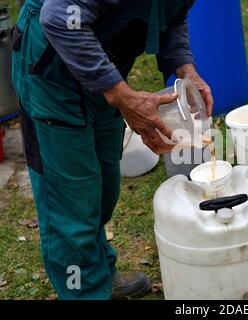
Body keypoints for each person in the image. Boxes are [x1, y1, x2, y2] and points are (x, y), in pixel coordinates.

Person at [11, 0, 213, 300]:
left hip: (103, 65)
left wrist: (184, 67)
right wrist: (125, 98)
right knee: (72, 205)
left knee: (104, 186)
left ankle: (99, 274)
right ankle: (85, 290)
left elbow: (174, 12)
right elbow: (57, 18)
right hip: (51, 69)